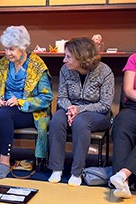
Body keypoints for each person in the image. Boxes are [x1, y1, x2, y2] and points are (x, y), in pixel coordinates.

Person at [0, 25, 53, 180]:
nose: (8, 53)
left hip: (29, 111)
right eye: (6, 49)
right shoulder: (2, 65)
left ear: (22, 47)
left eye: (12, 49)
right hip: (5, 107)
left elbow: (46, 97)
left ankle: (5, 163)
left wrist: (20, 101)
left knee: (3, 114)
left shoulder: (36, 66)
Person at [48, 37, 115, 186]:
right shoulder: (65, 70)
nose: (64, 60)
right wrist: (71, 108)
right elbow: (62, 98)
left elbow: (104, 104)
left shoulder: (105, 71)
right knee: (57, 120)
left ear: (81, 57)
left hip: (98, 114)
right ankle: (56, 168)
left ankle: (77, 171)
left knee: (81, 121)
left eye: (68, 57)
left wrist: (79, 110)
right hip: (70, 109)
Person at [110, 26, 136, 199]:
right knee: (122, 123)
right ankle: (123, 185)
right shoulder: (135, 59)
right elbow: (128, 89)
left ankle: (123, 174)